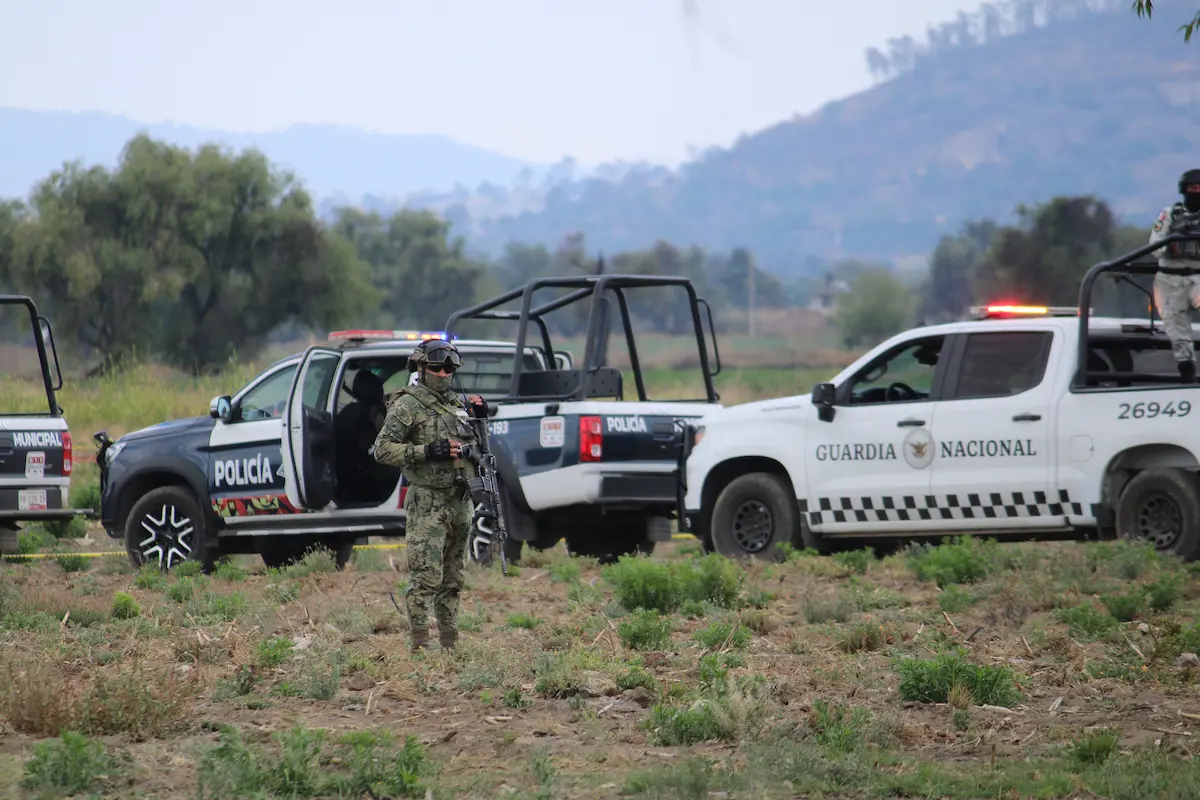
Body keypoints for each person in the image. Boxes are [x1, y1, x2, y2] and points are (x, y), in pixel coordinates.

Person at [371, 339, 488, 651]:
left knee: (453, 580)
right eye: (437, 367)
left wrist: (480, 419)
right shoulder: (408, 405)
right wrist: (426, 451)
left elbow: (475, 451)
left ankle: (450, 646)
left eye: (450, 368)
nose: (444, 373)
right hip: (428, 502)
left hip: (459, 500)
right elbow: (382, 450)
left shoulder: (457, 406)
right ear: (421, 369)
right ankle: (420, 647)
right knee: (425, 579)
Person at [1149, 168, 1200, 383]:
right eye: (1193, 188)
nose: (1197, 192)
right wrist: (1171, 246)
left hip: (1197, 276)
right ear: (1184, 190)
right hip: (1170, 279)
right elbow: (1154, 245)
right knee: (1177, 331)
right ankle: (1187, 372)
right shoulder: (1169, 215)